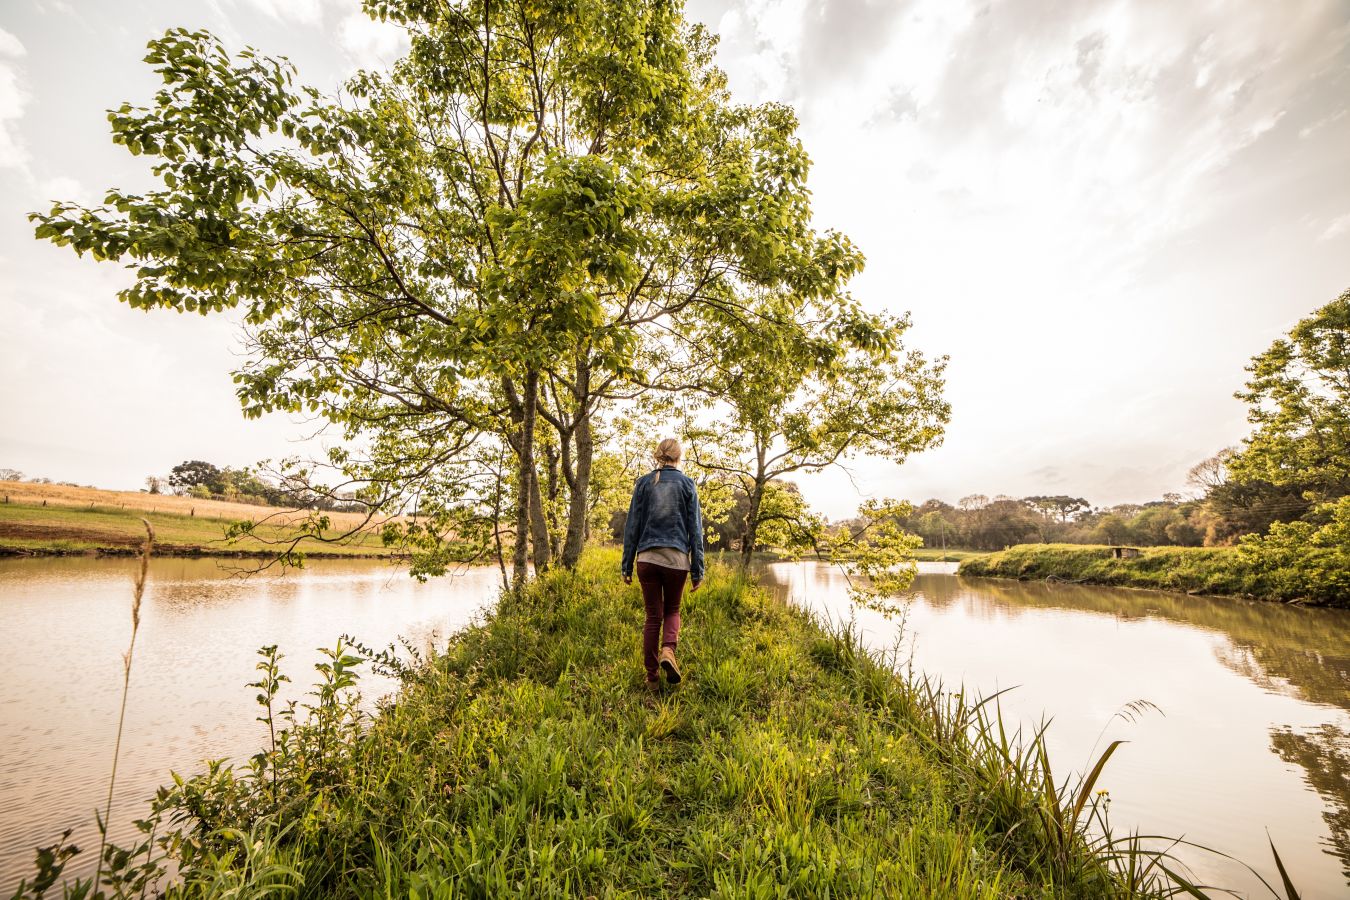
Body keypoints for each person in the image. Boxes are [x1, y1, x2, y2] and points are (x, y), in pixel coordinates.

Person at [621, 437, 705, 692]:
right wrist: (697, 569)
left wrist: (626, 565)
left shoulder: (644, 483)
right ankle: (668, 649)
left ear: (658, 456)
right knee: (672, 610)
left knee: (652, 618)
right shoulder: (687, 484)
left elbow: (632, 526)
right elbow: (695, 530)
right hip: (676, 559)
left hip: (647, 558)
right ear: (679, 457)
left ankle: (652, 680)